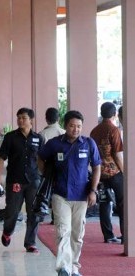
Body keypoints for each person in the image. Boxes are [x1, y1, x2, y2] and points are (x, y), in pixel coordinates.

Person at [38, 110, 101, 276]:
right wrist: (46, 174)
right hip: (60, 195)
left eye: (79, 126)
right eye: (72, 126)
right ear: (65, 126)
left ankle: (74, 267)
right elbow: (40, 157)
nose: (76, 129)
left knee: (77, 234)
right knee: (62, 230)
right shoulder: (54, 143)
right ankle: (63, 268)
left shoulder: (88, 143)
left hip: (82, 196)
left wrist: (93, 190)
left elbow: (96, 167)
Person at [0, 108, 43, 253]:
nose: (20, 120)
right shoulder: (10, 137)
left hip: (34, 181)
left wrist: (45, 178)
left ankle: (30, 243)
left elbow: (42, 160)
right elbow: (1, 157)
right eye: (18, 118)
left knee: (33, 213)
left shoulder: (38, 138)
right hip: (15, 180)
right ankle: (7, 232)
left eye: (24, 118)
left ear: (31, 120)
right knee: (12, 211)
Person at [90, 102, 124, 243]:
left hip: (99, 174)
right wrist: (124, 171)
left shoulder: (94, 131)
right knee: (122, 204)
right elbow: (116, 154)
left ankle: (108, 235)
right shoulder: (114, 130)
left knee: (104, 202)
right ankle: (126, 235)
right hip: (114, 173)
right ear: (114, 114)